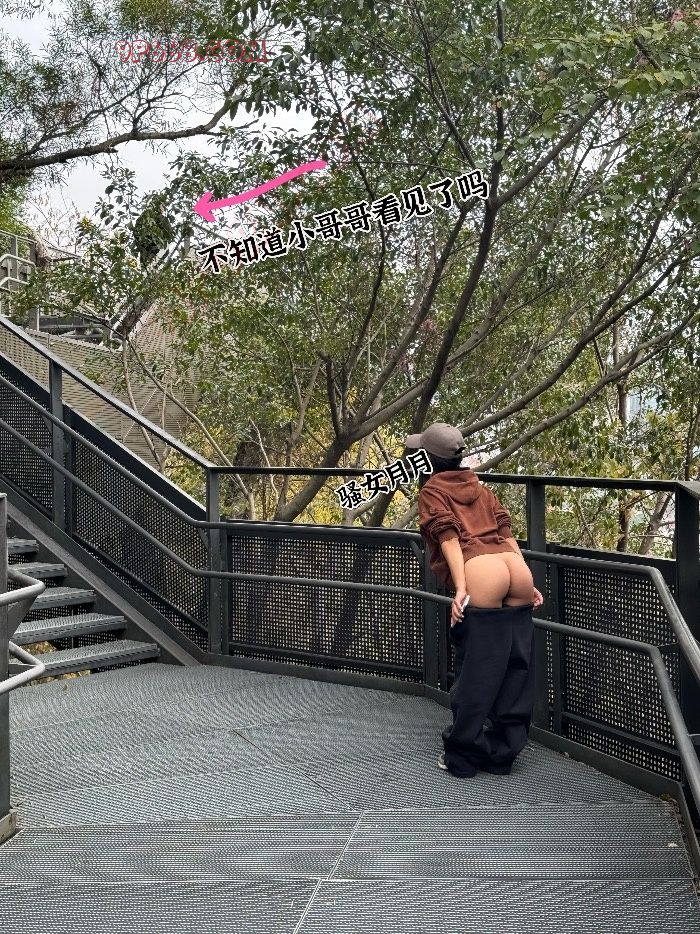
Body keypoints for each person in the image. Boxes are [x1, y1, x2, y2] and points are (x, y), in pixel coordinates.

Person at [406, 421, 543, 779]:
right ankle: (502, 755)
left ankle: (463, 757)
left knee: (478, 670)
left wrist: (461, 587)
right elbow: (506, 535)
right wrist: (527, 581)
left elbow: (449, 538)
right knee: (515, 667)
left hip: (481, 571)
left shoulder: (432, 490)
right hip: (514, 567)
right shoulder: (480, 488)